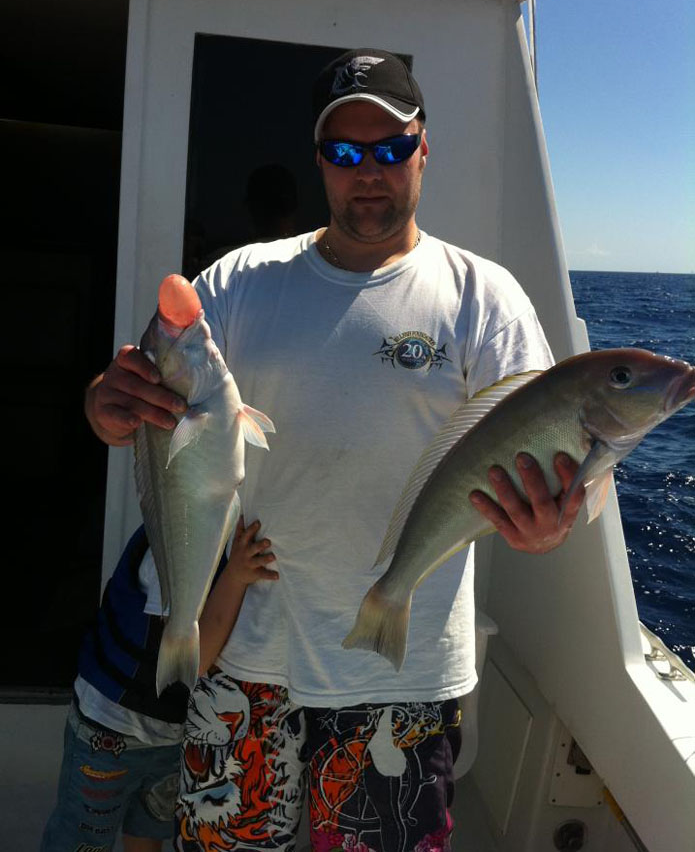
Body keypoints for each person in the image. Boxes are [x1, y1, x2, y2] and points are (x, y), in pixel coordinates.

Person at [85, 48, 585, 852]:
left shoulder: (482, 297)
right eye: (345, 153)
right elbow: (150, 409)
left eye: (390, 149)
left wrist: (549, 522)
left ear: (424, 148)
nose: (369, 173)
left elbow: (551, 457)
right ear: (319, 160)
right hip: (246, 659)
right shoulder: (239, 281)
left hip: (402, 675)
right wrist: (106, 406)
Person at [40, 515, 277, 852]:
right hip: (109, 730)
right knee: (81, 840)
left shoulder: (220, 531)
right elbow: (192, 655)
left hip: (170, 736)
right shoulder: (176, 539)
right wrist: (236, 577)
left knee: (147, 830)